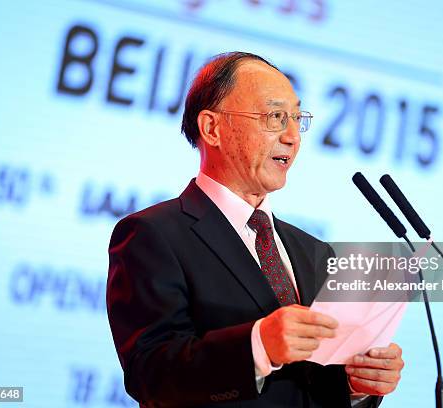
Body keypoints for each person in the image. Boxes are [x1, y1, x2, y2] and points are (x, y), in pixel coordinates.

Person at [107, 52, 404, 408]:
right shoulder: (154, 235)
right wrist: (259, 345)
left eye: (297, 118)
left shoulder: (315, 252)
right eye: (276, 117)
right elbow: (151, 375)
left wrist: (357, 386)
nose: (293, 137)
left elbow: (314, 386)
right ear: (212, 128)